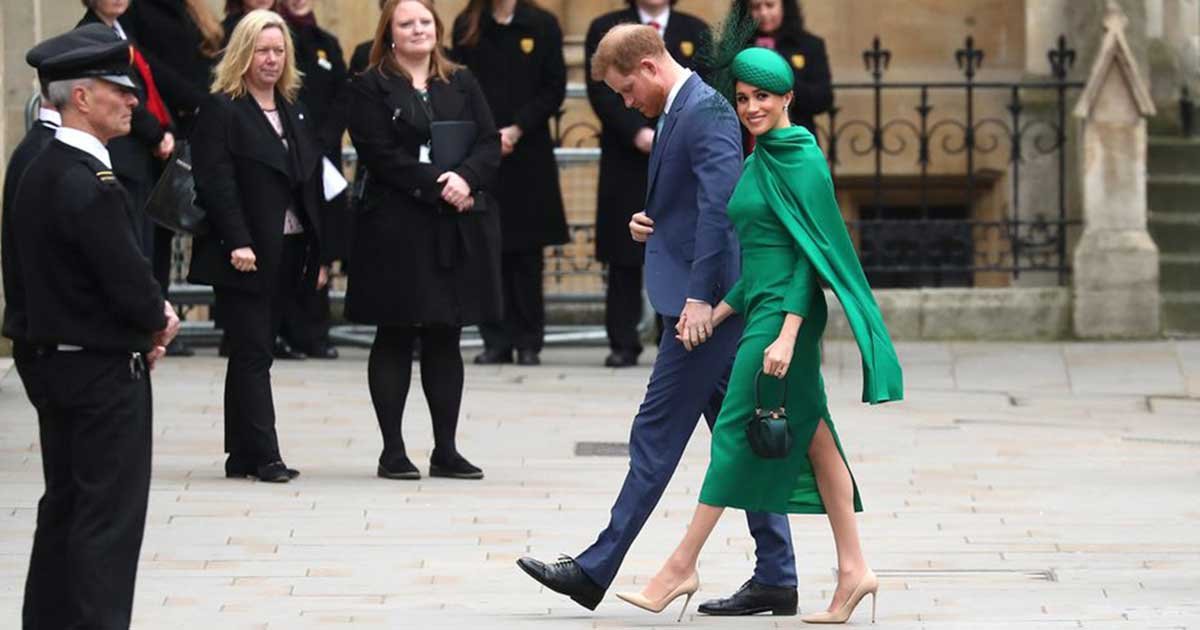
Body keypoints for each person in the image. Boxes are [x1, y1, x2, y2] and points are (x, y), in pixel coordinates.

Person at [516, 25, 801, 618]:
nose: (625, 103)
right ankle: (777, 574)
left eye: (624, 90)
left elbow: (723, 215)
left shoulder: (707, 112)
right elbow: (695, 202)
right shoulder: (682, 108)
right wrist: (653, 223)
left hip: (708, 310)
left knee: (655, 434)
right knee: (742, 436)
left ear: (648, 66)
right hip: (698, 300)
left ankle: (595, 569)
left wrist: (699, 301)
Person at [612, 47, 903, 624]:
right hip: (758, 309)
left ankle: (680, 566)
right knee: (819, 443)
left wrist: (789, 334)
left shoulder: (800, 158)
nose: (750, 108)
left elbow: (807, 259)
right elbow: (757, 263)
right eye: (743, 98)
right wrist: (716, 315)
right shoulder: (760, 158)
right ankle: (855, 572)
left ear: (788, 97)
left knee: (733, 434)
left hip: (782, 321)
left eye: (763, 97)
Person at [11, 25, 180, 628]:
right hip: (99, 371)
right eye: (119, 90)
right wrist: (157, 322)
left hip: (62, 358)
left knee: (67, 508)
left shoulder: (42, 161)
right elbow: (127, 282)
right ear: (81, 97)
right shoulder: (87, 180)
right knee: (104, 523)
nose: (132, 100)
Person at [345, 0, 500, 481]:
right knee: (394, 332)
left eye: (425, 22)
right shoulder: (369, 85)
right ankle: (393, 450)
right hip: (395, 228)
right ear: (388, 32)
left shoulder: (461, 80)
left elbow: (489, 142)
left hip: (452, 226)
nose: (418, 30)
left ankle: (445, 449)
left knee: (444, 334)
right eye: (406, 23)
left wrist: (466, 180)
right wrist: (439, 183)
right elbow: (379, 153)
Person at [187, 9, 324, 483]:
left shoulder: (292, 107)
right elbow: (216, 182)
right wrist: (238, 241)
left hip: (288, 246)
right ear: (243, 53)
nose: (271, 59)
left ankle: (239, 454)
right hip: (243, 252)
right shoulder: (223, 108)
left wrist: (319, 250)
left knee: (253, 350)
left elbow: (306, 181)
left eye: (279, 50)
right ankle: (266, 455)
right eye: (262, 50)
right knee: (252, 352)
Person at [584, 0, 709, 368]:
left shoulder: (695, 31)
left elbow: (717, 209)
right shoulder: (606, 28)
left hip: (678, 155)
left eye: (628, 92)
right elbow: (603, 94)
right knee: (625, 249)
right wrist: (636, 132)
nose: (625, 100)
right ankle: (623, 341)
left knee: (673, 240)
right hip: (626, 157)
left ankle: (668, 330)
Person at [452, 0, 568, 367]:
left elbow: (554, 87)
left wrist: (517, 128)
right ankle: (496, 339)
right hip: (481, 154)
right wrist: (488, 135)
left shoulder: (542, 24)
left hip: (528, 151)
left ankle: (529, 340)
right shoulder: (467, 24)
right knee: (490, 249)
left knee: (528, 254)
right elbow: (459, 87)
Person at [123, 0, 225, 357]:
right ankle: (156, 315)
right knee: (153, 232)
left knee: (166, 231)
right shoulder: (137, 10)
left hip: (190, 124)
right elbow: (149, 67)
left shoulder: (192, 9)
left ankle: (163, 318)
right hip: (160, 128)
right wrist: (195, 99)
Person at [78, 0, 180, 315]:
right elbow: (125, 95)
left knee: (153, 247)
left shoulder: (122, 29)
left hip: (142, 157)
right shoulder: (91, 34)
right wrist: (157, 135)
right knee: (137, 246)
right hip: (125, 155)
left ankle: (157, 320)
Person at [276, 0, 349, 361]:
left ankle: (316, 331)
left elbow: (342, 94)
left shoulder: (327, 42)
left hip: (323, 159)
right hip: (285, 151)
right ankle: (285, 330)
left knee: (320, 242)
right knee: (289, 240)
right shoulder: (274, 37)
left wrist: (321, 142)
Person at [735, 0, 831, 137]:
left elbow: (823, 99)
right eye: (756, 7)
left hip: (794, 139)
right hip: (747, 141)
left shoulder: (809, 45)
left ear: (784, 6)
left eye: (770, 5)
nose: (763, 13)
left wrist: (780, 71)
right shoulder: (735, 47)